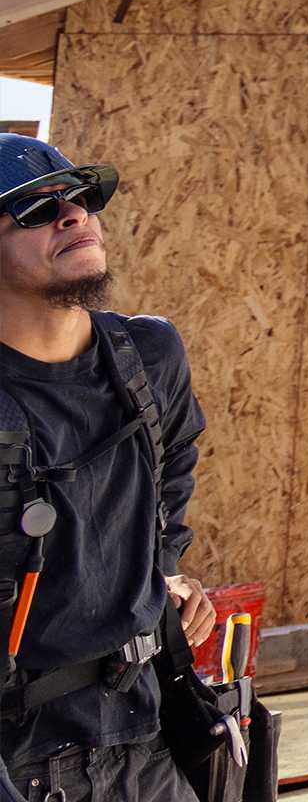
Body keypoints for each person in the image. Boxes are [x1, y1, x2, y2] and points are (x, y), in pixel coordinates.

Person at [0, 138, 217, 802]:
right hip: (24, 762)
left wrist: (160, 568)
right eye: (37, 209)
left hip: (147, 739)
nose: (74, 215)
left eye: (81, 198)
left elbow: (173, 462)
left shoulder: (148, 356)